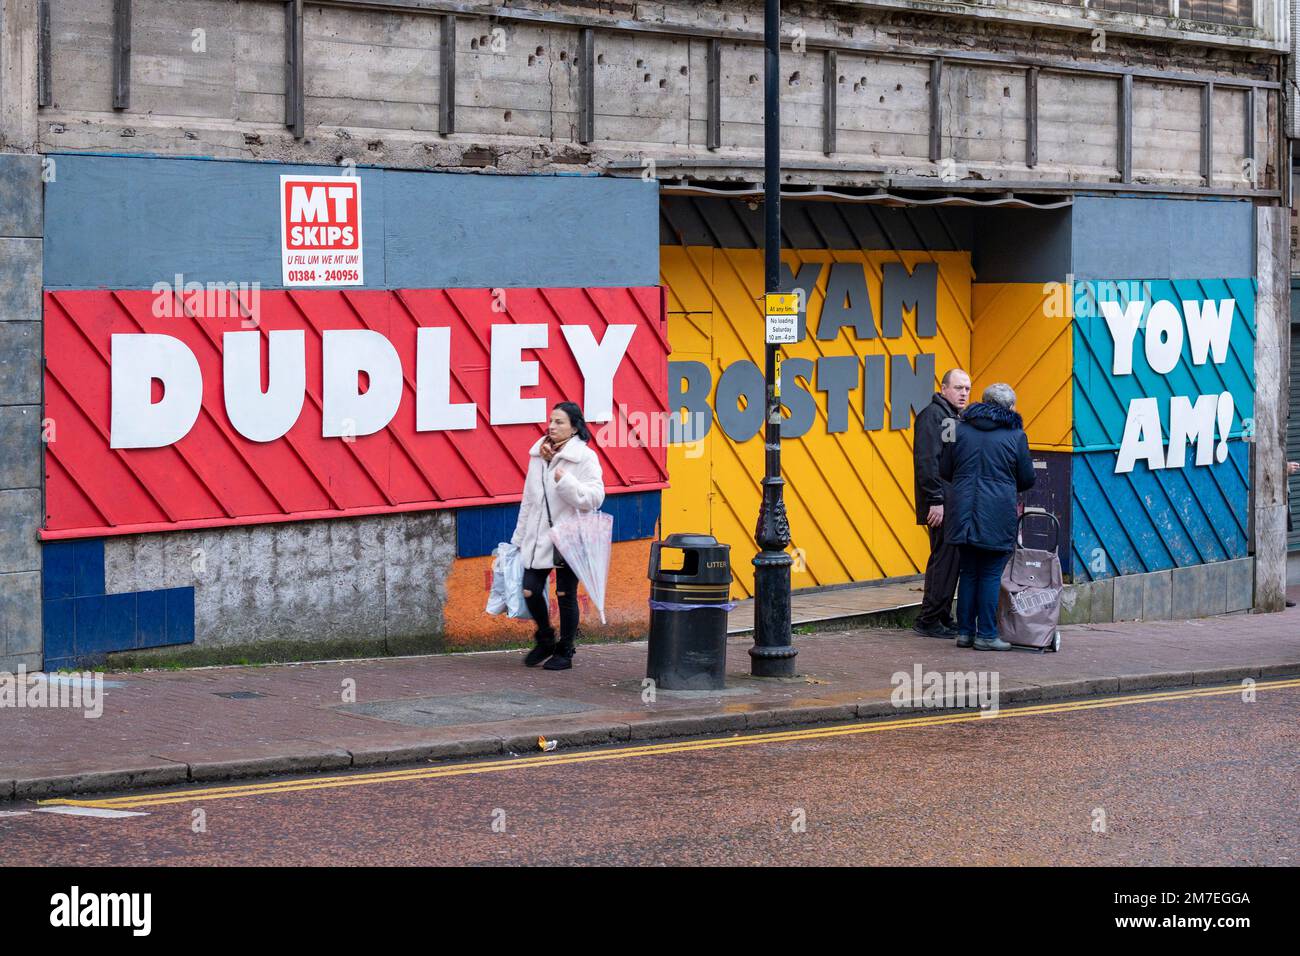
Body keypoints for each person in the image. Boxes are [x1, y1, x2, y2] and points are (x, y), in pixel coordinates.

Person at [940, 382, 1036, 650]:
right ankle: (986, 635)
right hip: (996, 515)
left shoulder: (958, 430)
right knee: (991, 575)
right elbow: (1027, 479)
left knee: (969, 572)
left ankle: (965, 633)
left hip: (962, 513)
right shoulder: (1016, 436)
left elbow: (945, 469)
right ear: (1008, 408)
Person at [510, 402, 605, 670]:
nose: (552, 426)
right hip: (539, 534)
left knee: (565, 593)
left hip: (570, 534)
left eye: (560, 422)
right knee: (529, 588)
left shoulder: (584, 457)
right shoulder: (538, 455)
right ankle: (545, 639)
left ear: (575, 427)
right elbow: (528, 500)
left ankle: (565, 652)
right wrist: (518, 539)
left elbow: (595, 498)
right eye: (551, 420)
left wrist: (565, 481)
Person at [912, 368, 972, 638]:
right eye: (958, 388)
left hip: (950, 502)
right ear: (944, 388)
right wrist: (936, 500)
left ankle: (942, 615)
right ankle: (929, 620)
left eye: (967, 389)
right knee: (944, 560)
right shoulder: (933, 416)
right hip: (941, 503)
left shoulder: (951, 417)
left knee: (950, 560)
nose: (964, 393)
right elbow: (927, 461)